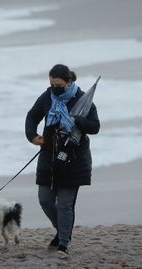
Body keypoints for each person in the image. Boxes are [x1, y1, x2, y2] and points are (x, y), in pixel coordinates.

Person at [25, 64, 100, 256]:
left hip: (73, 158)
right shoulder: (47, 96)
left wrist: (76, 120)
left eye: (59, 85)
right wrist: (33, 136)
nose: (55, 89)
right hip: (48, 157)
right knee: (45, 200)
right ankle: (62, 230)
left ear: (70, 81)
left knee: (65, 204)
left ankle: (63, 244)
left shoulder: (84, 100)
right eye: (51, 84)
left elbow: (95, 126)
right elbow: (32, 116)